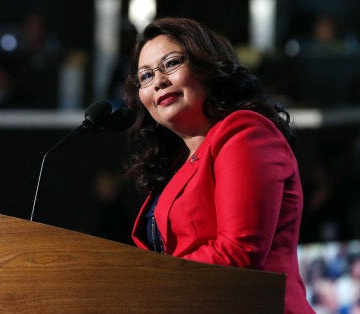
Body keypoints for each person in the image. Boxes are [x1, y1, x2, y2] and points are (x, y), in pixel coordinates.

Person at [122, 18, 313, 313]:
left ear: (207, 67)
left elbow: (239, 251)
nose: (158, 81)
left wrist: (149, 282)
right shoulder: (175, 163)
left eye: (170, 63)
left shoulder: (245, 132)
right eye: (145, 76)